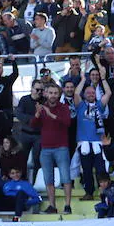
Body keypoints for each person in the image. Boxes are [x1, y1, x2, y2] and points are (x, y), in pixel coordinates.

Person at [74, 61, 113, 201]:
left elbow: (108, 93)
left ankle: (105, 193)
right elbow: (76, 93)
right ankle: (89, 192)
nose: (90, 94)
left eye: (92, 92)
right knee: (86, 169)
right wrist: (83, 79)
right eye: (88, 92)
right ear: (85, 94)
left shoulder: (99, 105)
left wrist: (103, 78)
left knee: (101, 170)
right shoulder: (80, 105)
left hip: (98, 142)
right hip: (84, 142)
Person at [32, 83, 73, 214]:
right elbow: (33, 125)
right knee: (48, 179)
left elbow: (67, 123)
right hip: (46, 148)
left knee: (66, 177)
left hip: (61, 147)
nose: (53, 95)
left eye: (55, 93)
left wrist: (50, 114)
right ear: (46, 93)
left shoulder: (64, 107)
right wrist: (38, 114)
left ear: (59, 94)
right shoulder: (42, 108)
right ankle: (52, 206)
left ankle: (67, 205)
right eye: (50, 93)